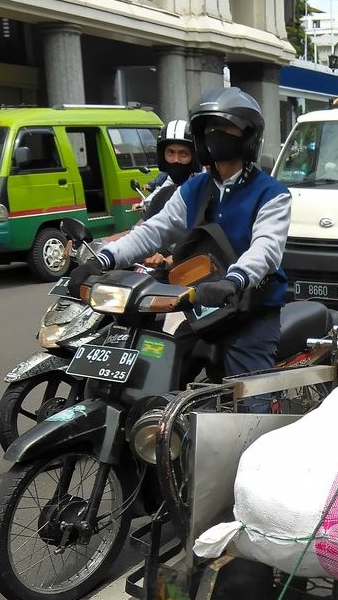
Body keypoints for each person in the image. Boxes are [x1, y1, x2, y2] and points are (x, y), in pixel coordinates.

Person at [67, 87, 290, 390]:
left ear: (248, 135)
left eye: (225, 127)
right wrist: (102, 259)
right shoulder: (194, 188)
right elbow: (154, 230)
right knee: (156, 381)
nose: (215, 135)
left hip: (251, 308)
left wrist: (233, 280)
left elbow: (266, 248)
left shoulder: (272, 193)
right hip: (203, 306)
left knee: (250, 402)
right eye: (209, 129)